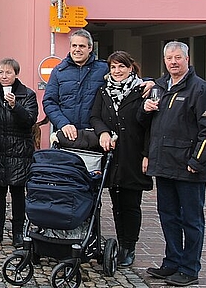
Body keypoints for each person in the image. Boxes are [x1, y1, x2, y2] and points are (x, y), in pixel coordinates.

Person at [141, 41, 206, 287]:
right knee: (168, 217)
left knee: (191, 220)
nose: (173, 62)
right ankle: (172, 263)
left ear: (187, 59)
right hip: (164, 165)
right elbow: (150, 126)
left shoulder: (200, 89)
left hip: (188, 167)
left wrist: (197, 161)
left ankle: (189, 268)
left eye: (178, 57)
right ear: (164, 61)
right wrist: (145, 110)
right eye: (169, 58)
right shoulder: (160, 87)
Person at [89, 51, 153, 267]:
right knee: (116, 202)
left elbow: (150, 126)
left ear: (130, 68)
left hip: (133, 154)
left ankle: (129, 247)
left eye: (121, 67)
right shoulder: (104, 91)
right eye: (113, 67)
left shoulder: (142, 90)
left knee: (131, 203)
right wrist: (103, 132)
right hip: (112, 155)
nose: (117, 71)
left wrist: (147, 154)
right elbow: (95, 116)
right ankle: (121, 242)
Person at [0, 58, 38, 248]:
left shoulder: (27, 95)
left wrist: (16, 107)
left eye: (8, 73)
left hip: (19, 150)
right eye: (1, 72)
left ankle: (17, 233)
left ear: (16, 74)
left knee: (17, 193)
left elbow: (30, 120)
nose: (4, 76)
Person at [43, 29, 108, 140]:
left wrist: (147, 82)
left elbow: (126, 77)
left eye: (82, 46)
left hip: (94, 136)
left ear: (90, 48)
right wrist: (63, 124)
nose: (77, 50)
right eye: (74, 46)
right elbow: (49, 102)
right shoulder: (58, 71)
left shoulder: (104, 69)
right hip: (66, 136)